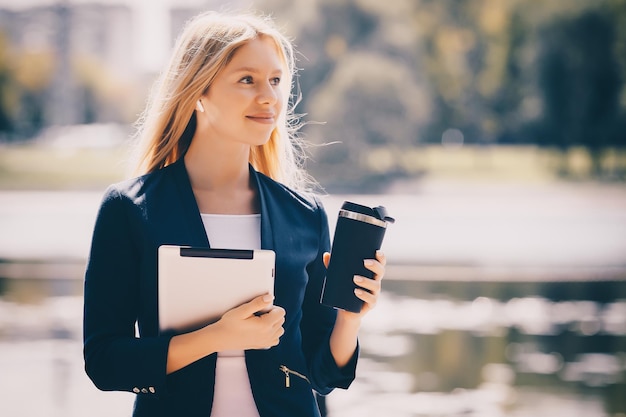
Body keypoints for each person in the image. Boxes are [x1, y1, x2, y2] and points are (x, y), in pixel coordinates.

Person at [82, 10, 386, 417]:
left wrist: (350, 317)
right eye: (248, 80)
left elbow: (323, 374)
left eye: (276, 81)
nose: (269, 97)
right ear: (198, 93)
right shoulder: (130, 210)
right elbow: (105, 361)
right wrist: (215, 337)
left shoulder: (305, 215)